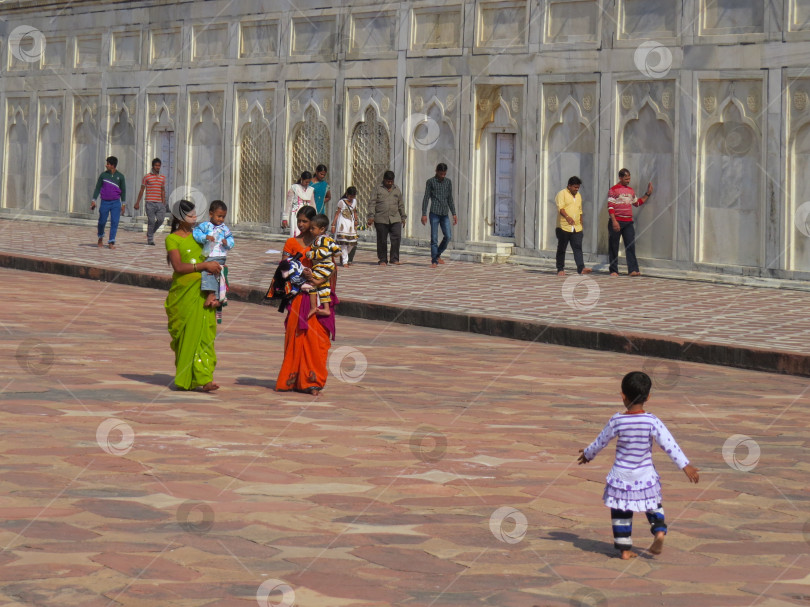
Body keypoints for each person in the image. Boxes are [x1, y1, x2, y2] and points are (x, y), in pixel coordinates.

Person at [577, 371, 699, 560]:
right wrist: (685, 465)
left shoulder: (617, 420)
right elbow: (669, 444)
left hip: (621, 477)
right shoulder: (651, 421)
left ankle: (625, 549)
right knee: (653, 505)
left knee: (621, 511)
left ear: (623, 396)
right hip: (645, 476)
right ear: (648, 397)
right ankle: (659, 531)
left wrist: (587, 454)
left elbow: (600, 441)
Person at [275, 206, 337, 395]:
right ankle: (293, 379)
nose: (301, 225)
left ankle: (313, 381)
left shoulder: (324, 243)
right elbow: (283, 269)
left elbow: (332, 268)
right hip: (298, 295)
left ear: (315, 224)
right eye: (299, 221)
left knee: (317, 339)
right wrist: (299, 275)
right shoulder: (292, 242)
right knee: (296, 336)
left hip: (319, 295)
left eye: (305, 221)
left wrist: (328, 290)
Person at [164, 199, 223, 392]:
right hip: (183, 293)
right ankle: (185, 377)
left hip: (203, 291)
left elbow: (213, 253)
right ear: (179, 217)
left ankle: (205, 378)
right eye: (190, 215)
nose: (194, 218)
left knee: (204, 335)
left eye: (195, 214)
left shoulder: (201, 235)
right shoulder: (172, 239)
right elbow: (179, 267)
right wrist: (203, 266)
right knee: (185, 336)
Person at [607, 169, 653, 277]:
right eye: (626, 178)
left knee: (630, 245)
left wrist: (648, 194)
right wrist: (614, 221)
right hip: (617, 221)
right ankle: (613, 270)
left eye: (629, 178)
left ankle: (632, 269)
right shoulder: (613, 190)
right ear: (620, 178)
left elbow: (637, 203)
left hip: (628, 222)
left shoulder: (631, 191)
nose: (628, 180)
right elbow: (610, 207)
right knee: (614, 246)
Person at [193, 200, 234, 309]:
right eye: (219, 216)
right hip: (208, 255)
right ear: (211, 214)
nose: (221, 219)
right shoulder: (205, 226)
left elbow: (231, 240)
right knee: (215, 276)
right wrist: (205, 237)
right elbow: (196, 233)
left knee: (208, 272)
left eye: (223, 217)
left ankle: (211, 294)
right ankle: (218, 298)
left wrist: (227, 243)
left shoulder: (225, 229)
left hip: (220, 255)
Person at [304, 214, 342, 318]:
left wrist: (311, 254)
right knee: (324, 288)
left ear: (321, 229)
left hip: (322, 266)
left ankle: (313, 307)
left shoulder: (321, 240)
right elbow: (338, 251)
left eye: (313, 228)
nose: (311, 230)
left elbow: (323, 252)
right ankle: (326, 309)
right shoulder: (329, 239)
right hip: (328, 267)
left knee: (312, 284)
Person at [420, 163, 457, 268]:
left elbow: (450, 198)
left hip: (444, 213)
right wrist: (424, 214)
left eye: (444, 174)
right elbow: (426, 198)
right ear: (436, 171)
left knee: (448, 236)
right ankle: (434, 260)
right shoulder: (430, 182)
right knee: (434, 238)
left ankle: (438, 254)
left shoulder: (448, 182)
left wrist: (454, 213)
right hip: (434, 213)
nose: (442, 176)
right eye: (441, 174)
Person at [555, 176, 592, 276]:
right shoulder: (562, 194)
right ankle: (560, 268)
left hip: (576, 227)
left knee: (577, 247)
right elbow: (561, 208)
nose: (576, 189)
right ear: (569, 186)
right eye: (575, 187)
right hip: (563, 227)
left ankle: (581, 268)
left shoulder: (579, 196)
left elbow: (580, 210)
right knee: (562, 248)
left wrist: (581, 222)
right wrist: (567, 217)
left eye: (578, 187)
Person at [368, 170, 406, 266]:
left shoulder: (397, 189)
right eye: (388, 181)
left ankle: (394, 258)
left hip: (395, 218)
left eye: (391, 181)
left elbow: (401, 204)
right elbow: (372, 203)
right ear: (384, 180)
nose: (389, 183)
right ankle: (383, 259)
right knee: (382, 240)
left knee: (396, 238)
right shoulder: (377, 188)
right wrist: (371, 216)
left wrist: (403, 217)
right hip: (381, 218)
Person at [90, 156, 126, 249]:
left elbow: (123, 191)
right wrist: (93, 200)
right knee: (102, 221)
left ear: (113, 165)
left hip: (116, 203)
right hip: (105, 202)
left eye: (108, 164)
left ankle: (111, 241)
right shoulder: (103, 175)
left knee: (115, 222)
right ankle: (100, 236)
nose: (106, 165)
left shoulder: (120, 177)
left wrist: (123, 204)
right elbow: (97, 188)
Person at [134, 158, 167, 246]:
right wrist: (137, 202)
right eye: (156, 165)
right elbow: (142, 189)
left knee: (160, 220)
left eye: (159, 165)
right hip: (150, 202)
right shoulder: (147, 177)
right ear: (153, 166)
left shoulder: (162, 178)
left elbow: (163, 190)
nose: (157, 167)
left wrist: (164, 202)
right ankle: (150, 239)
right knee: (151, 221)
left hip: (160, 203)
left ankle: (150, 232)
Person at [282, 171, 315, 237]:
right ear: (302, 179)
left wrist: (315, 216)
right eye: (306, 182)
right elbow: (289, 204)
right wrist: (285, 218)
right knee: (297, 233)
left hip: (308, 213)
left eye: (309, 182)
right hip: (297, 214)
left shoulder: (310, 190)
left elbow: (312, 204)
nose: (307, 184)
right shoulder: (294, 188)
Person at [332, 186, 359, 266]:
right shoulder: (342, 202)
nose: (351, 198)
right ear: (347, 194)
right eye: (350, 196)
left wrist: (356, 221)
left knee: (352, 243)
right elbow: (337, 214)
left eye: (353, 196)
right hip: (343, 224)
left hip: (351, 224)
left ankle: (344, 255)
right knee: (344, 243)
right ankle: (345, 261)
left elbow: (354, 212)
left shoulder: (354, 202)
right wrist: (333, 225)